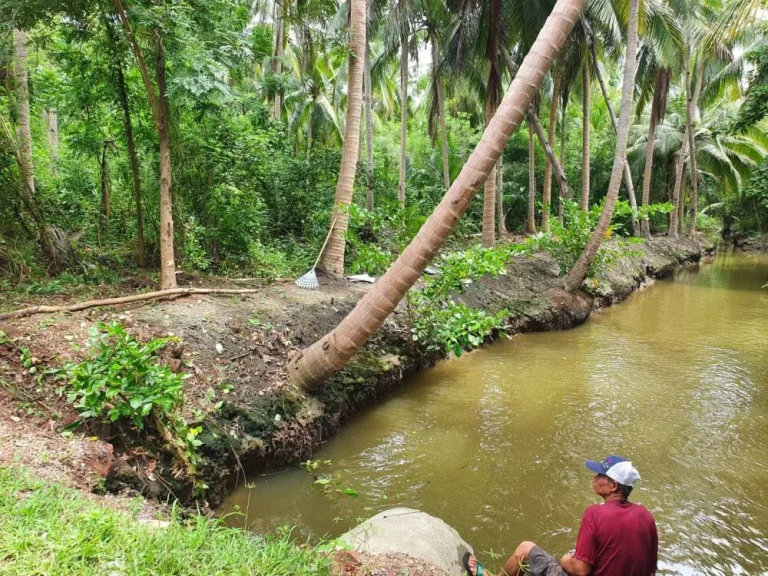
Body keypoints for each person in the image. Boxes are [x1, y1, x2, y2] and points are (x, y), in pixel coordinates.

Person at [463, 455, 658, 576]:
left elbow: (581, 570)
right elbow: (650, 572)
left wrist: (565, 559)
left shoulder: (595, 513)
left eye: (600, 475)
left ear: (613, 485)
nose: (594, 478)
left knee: (526, 548)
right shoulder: (646, 516)